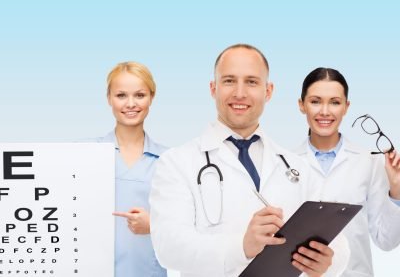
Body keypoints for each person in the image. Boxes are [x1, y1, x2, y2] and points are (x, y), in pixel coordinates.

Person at [149, 44, 349, 277]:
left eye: (252, 82)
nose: (240, 93)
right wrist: (242, 247)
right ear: (213, 89)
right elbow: (169, 249)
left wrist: (327, 263)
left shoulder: (297, 166)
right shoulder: (176, 163)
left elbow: (340, 244)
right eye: (229, 81)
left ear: (268, 90)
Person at [295, 67, 400, 276]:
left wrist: (397, 191)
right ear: (302, 105)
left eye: (335, 102)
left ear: (346, 107)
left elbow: (387, 241)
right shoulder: (284, 163)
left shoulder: (369, 162)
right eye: (315, 101)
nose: (325, 111)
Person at [95, 61, 167, 276]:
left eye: (140, 95)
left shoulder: (169, 161)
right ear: (109, 98)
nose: (130, 103)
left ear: (151, 98)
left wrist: (154, 225)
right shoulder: (86, 155)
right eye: (121, 95)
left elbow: (188, 225)